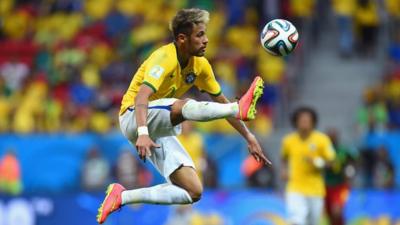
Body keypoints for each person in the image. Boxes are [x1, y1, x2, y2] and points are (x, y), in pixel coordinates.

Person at [97, 8, 270, 224]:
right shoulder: (163, 58)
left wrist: (249, 137)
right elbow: (142, 96)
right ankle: (238, 108)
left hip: (157, 125)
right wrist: (142, 132)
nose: (206, 40)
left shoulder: (201, 66)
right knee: (184, 106)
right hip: (134, 116)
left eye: (205, 34)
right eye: (199, 35)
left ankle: (122, 196)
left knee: (192, 191)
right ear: (181, 39)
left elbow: (220, 103)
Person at [281, 107, 336, 225]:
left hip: (315, 189)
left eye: (307, 120)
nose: (304, 123)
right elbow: (284, 157)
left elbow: (332, 163)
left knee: (313, 222)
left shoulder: (322, 140)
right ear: (295, 122)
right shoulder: (288, 141)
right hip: (295, 188)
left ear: (313, 122)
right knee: (297, 219)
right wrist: (284, 170)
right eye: (302, 120)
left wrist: (318, 163)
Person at [324, 128, 355, 225]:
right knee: (330, 215)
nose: (331, 138)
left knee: (337, 211)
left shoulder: (343, 150)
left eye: (333, 136)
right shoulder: (322, 151)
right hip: (325, 187)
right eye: (329, 136)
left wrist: (349, 172)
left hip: (341, 186)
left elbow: (354, 160)